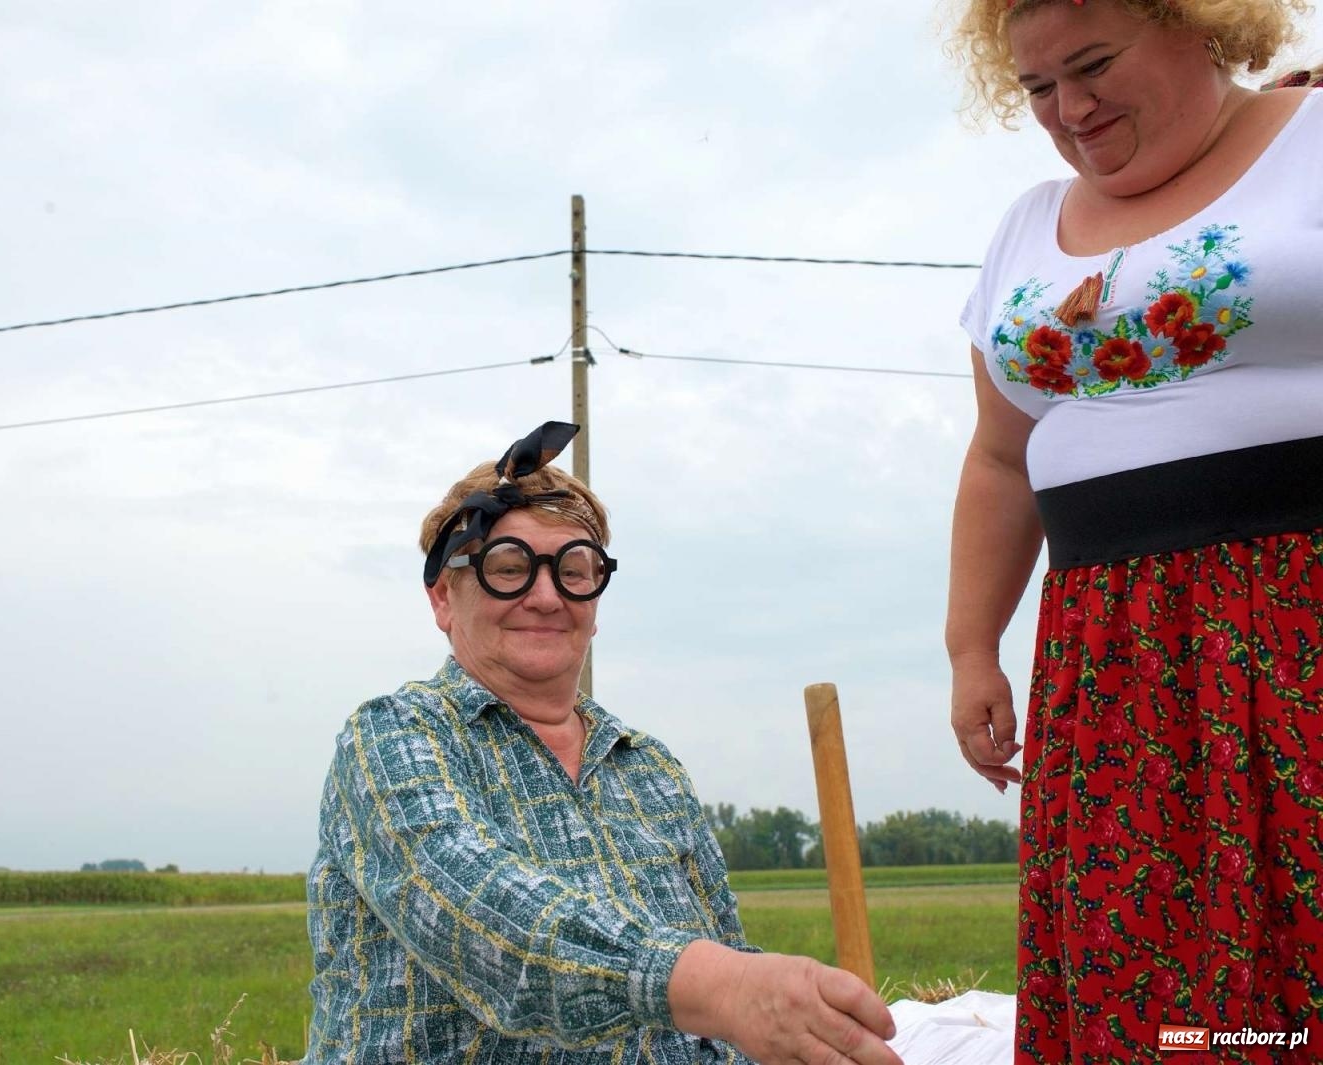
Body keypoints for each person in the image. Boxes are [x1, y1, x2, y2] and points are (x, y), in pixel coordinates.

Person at [945, 0, 1323, 1060]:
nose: (1068, 108)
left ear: (1200, 25)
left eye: (1093, 63)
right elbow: (996, 456)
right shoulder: (1025, 225)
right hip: (1108, 656)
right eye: (1034, 87)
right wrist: (971, 645)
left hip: (1297, 622)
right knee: (1147, 980)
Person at [303, 421, 901, 1064]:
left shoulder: (650, 769)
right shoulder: (395, 735)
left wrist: (809, 1025)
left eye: (573, 569)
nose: (544, 595)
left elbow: (730, 979)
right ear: (444, 597)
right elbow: (488, 926)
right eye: (508, 568)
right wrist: (726, 988)